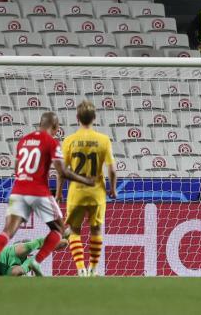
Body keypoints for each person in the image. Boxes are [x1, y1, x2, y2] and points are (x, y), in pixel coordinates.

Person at [0, 112, 94, 276]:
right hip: (37, 190)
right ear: (55, 127)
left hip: (18, 189)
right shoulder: (51, 141)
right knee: (60, 230)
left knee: (7, 230)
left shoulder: (24, 140)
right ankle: (36, 262)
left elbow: (17, 168)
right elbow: (63, 171)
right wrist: (85, 181)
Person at [60, 100, 117, 277]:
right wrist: (113, 189)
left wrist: (58, 192)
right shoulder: (103, 140)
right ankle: (93, 269)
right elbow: (112, 170)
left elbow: (62, 170)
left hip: (76, 193)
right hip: (96, 193)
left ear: (77, 118)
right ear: (94, 118)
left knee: (75, 231)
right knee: (96, 230)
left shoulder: (69, 140)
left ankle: (80, 269)